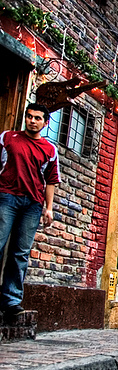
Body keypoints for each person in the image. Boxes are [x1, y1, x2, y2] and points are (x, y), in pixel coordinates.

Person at [0, 103, 60, 316]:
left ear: (45, 123)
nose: (32, 121)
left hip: (33, 204)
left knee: (20, 253)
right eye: (29, 116)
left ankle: (11, 300)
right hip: (6, 197)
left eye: (37, 118)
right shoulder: (8, 138)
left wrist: (49, 208)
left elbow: (51, 180)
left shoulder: (49, 149)